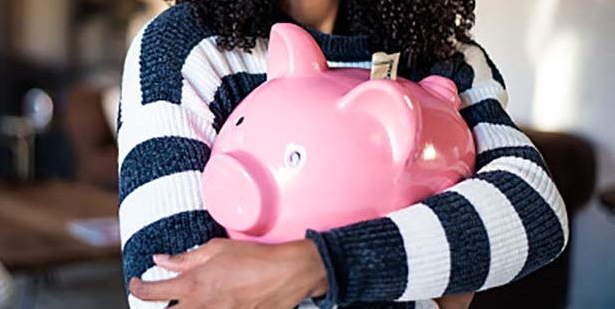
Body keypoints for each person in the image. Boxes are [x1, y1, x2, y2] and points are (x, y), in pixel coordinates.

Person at [117, 0, 568, 308]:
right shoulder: (183, 50)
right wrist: (433, 273)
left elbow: (534, 211)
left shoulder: (445, 55)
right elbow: (171, 294)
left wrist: (318, 265)